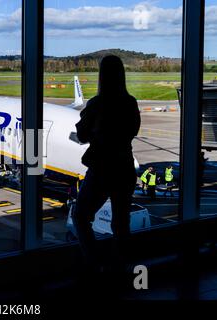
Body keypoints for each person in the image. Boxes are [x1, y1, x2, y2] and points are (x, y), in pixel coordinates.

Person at [73, 55, 140, 276]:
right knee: (121, 223)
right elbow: (133, 131)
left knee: (81, 216)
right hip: (125, 167)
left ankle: (94, 262)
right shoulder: (130, 103)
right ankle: (120, 266)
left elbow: (81, 135)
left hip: (102, 168)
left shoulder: (97, 103)